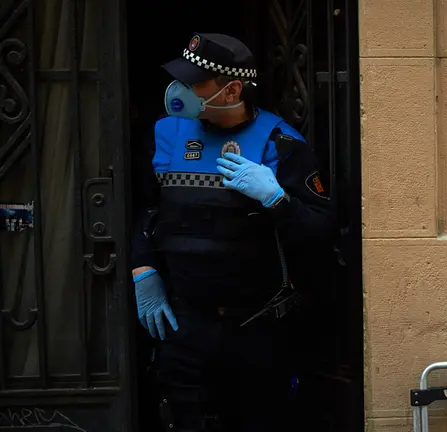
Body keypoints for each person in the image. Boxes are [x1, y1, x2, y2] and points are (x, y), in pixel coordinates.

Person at [130, 32, 336, 431]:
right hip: (183, 322)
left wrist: (277, 199)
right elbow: (148, 210)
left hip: (255, 326)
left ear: (232, 88)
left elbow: (320, 232)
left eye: (194, 82)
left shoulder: (281, 143)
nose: (181, 89)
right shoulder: (167, 133)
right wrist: (143, 269)